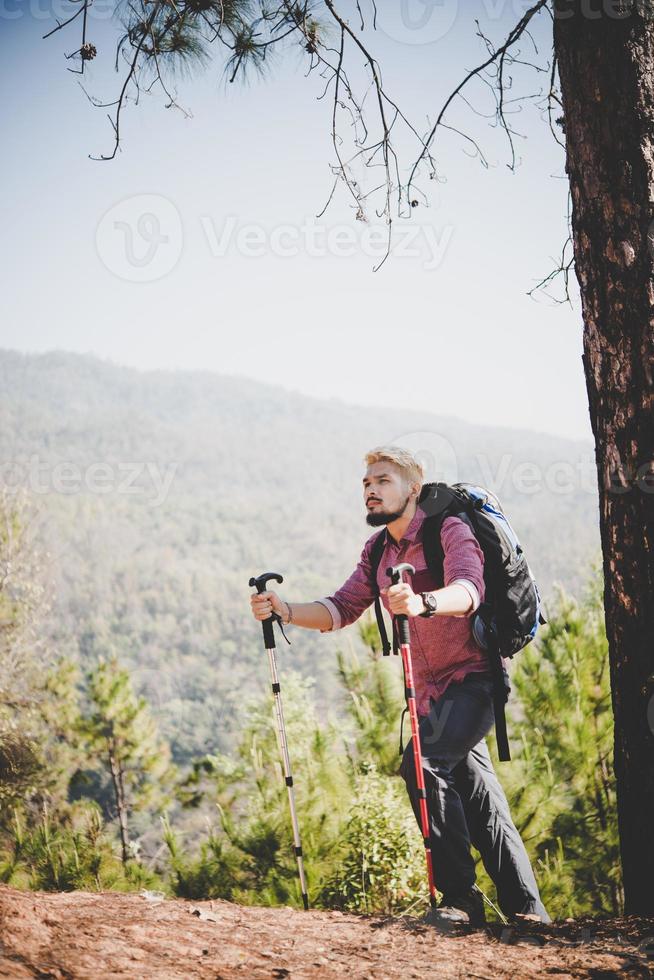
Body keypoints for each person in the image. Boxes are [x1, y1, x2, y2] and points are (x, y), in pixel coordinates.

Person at [250, 445, 550, 928]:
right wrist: (285, 611)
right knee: (480, 799)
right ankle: (528, 911)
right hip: (434, 696)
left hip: (475, 682)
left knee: (423, 761)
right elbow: (342, 607)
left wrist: (423, 602)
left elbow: (470, 589)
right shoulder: (378, 550)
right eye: (366, 483)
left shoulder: (448, 530)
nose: (370, 490)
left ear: (413, 488)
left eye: (382, 481)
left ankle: (460, 901)